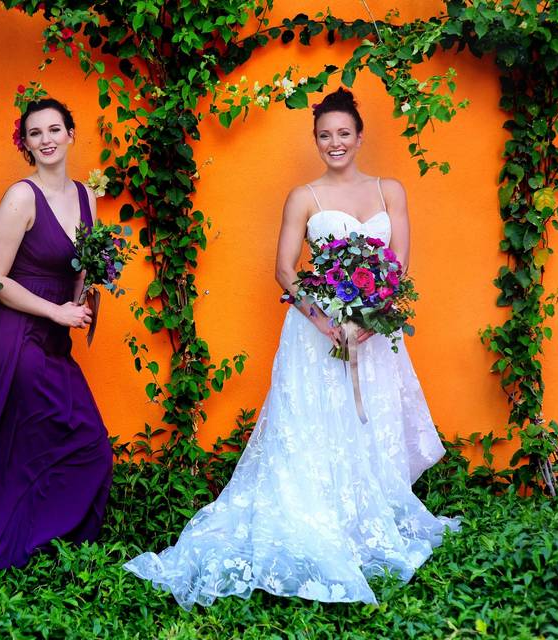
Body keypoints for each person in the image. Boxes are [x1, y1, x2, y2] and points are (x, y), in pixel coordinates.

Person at [123, 87, 459, 607]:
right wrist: (324, 321)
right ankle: (314, 518)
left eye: (344, 133)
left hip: (374, 331)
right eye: (325, 136)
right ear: (316, 140)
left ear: (360, 136)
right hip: (315, 335)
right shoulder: (304, 196)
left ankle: (363, 518)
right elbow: (283, 269)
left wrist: (371, 319)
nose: (335, 143)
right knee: (314, 427)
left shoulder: (390, 190)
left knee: (370, 424)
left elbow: (398, 266)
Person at [0, 98, 113, 572]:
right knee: (62, 434)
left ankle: (35, 541)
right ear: (26, 144)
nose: (47, 139)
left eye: (56, 129)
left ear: (72, 134)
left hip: (54, 333)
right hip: (14, 335)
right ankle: (5, 543)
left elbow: (80, 266)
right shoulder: (21, 196)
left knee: (69, 443)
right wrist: (56, 311)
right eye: (36, 133)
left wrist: (87, 294)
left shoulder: (85, 196)